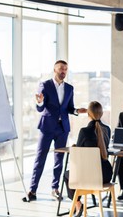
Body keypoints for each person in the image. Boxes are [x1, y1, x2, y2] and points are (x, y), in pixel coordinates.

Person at [23, 60, 87, 202]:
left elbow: (69, 108)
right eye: (61, 68)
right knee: (40, 158)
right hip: (47, 127)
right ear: (54, 69)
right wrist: (39, 102)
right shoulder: (45, 85)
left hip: (62, 128)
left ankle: (55, 189)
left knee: (59, 160)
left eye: (65, 69)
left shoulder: (69, 88)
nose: (63, 71)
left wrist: (77, 110)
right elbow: (40, 108)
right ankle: (32, 190)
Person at [63, 101, 113, 217]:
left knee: (67, 175)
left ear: (88, 114)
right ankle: (78, 204)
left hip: (89, 175)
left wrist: (74, 147)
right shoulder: (107, 129)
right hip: (105, 175)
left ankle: (78, 203)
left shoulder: (84, 131)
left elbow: (79, 154)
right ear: (101, 114)